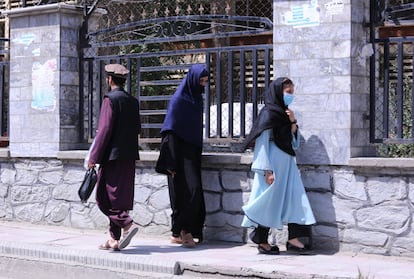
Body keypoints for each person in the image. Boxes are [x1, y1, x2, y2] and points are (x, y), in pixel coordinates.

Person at [240, 77, 316, 255]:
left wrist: (293, 122)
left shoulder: (285, 113)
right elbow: (262, 144)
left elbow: (294, 144)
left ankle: (294, 238)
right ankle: (261, 240)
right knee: (269, 201)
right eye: (288, 92)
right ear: (277, 92)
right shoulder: (268, 113)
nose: (291, 96)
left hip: (288, 163)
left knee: (296, 198)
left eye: (292, 92)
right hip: (272, 164)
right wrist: (266, 170)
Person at [88, 64, 141, 251]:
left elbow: (104, 131)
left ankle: (127, 224)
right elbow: (137, 130)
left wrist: (93, 156)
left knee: (103, 198)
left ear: (109, 79)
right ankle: (113, 239)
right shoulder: (133, 101)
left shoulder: (110, 100)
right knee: (119, 198)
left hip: (112, 157)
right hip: (129, 156)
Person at [155, 64, 209, 248]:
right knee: (184, 192)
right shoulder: (179, 100)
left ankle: (180, 232)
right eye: (200, 81)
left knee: (193, 192)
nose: (203, 85)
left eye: (205, 82)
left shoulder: (196, 100)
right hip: (177, 153)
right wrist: (170, 161)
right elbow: (169, 130)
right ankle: (184, 231)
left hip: (192, 153)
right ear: (193, 80)